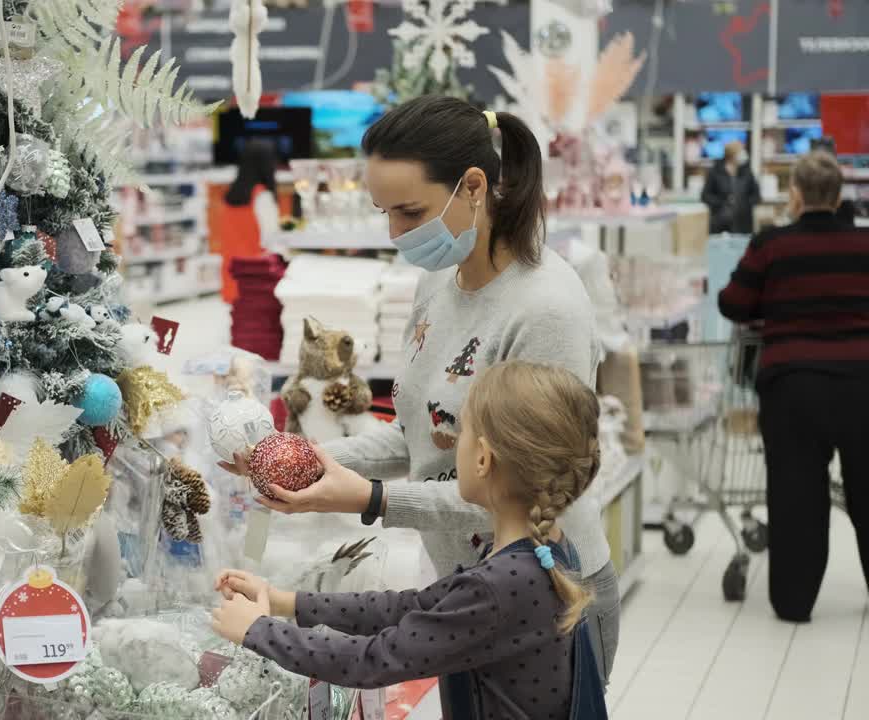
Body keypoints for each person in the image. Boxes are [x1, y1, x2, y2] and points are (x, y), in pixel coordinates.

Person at [222, 96, 619, 682]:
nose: (395, 233)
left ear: (474, 187)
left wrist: (372, 499)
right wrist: (303, 460)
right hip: (465, 586)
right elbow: (424, 432)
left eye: (409, 212)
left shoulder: (545, 311)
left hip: (550, 593)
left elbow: (525, 490)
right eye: (384, 212)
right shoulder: (438, 278)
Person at [212, 362, 608, 720]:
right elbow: (413, 607)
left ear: (483, 459)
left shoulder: (502, 585)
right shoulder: (544, 550)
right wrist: (287, 602)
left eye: (462, 432)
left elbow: (373, 660)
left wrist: (258, 631)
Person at [719, 150, 869, 622]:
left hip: (792, 387)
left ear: (796, 195)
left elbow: (733, 303)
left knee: (795, 494)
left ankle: (793, 602)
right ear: (839, 195)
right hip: (861, 383)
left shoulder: (771, 244)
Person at [218, 138, 281, 303]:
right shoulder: (262, 197)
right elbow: (272, 240)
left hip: (231, 276)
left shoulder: (229, 196)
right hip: (256, 278)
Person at [702, 140, 761, 234]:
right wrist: (722, 202)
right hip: (720, 222)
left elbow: (756, 196)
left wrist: (744, 204)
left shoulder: (747, 172)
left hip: (743, 223)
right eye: (741, 152)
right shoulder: (715, 172)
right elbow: (705, 196)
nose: (744, 155)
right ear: (732, 155)